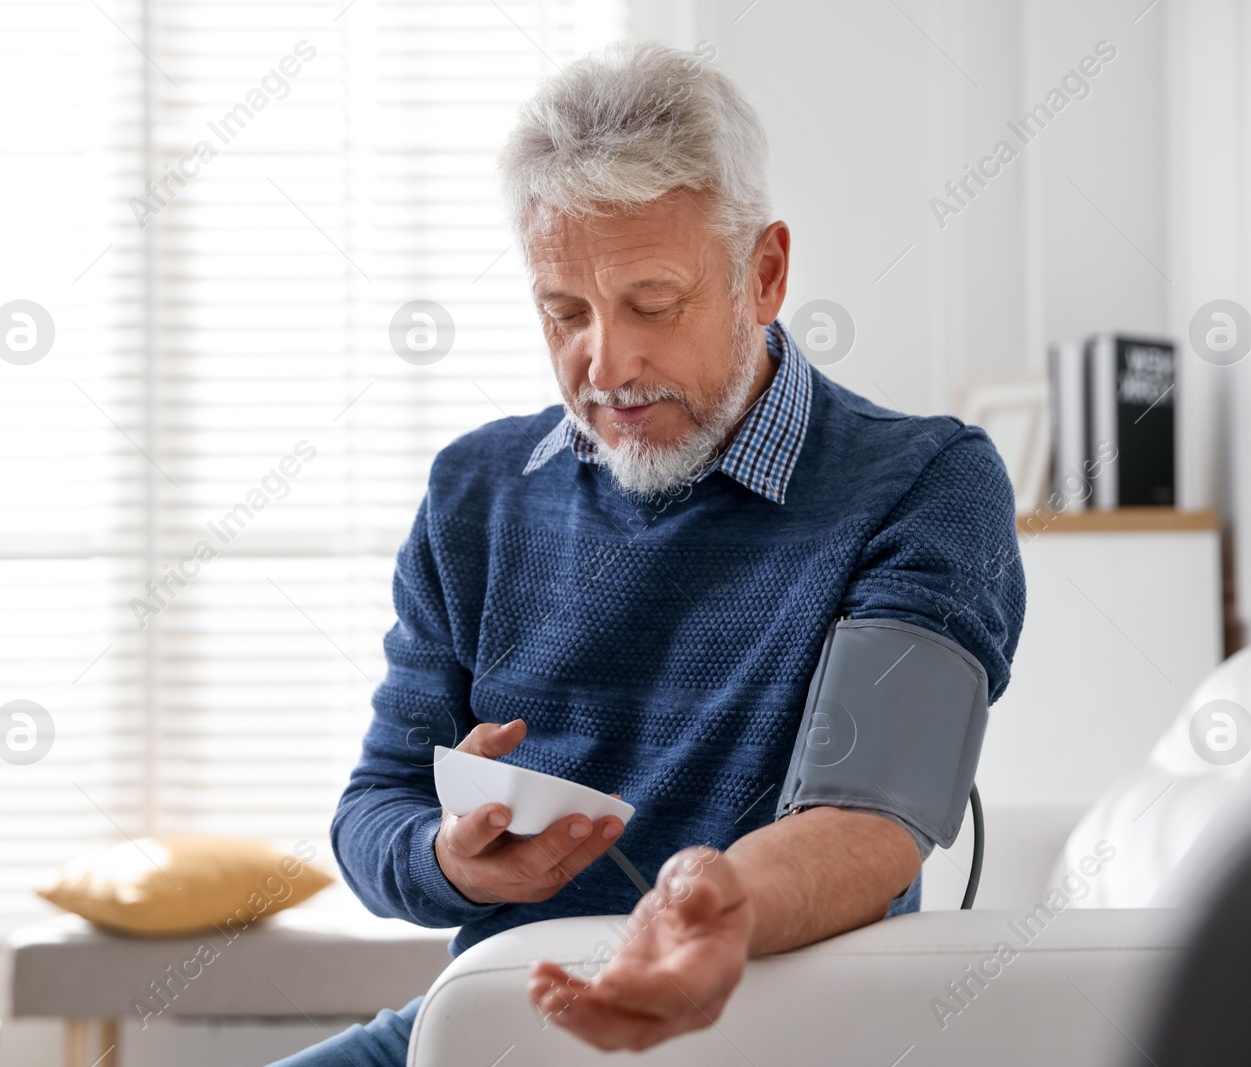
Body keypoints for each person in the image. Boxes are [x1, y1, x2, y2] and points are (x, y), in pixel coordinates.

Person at [269, 39, 1024, 1066]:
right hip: (493, 1029)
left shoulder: (925, 482)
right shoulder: (476, 492)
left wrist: (716, 910)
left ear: (763, 273)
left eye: (651, 305)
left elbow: (871, 813)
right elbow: (375, 809)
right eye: (564, 313)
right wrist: (453, 859)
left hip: (765, 1029)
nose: (606, 363)